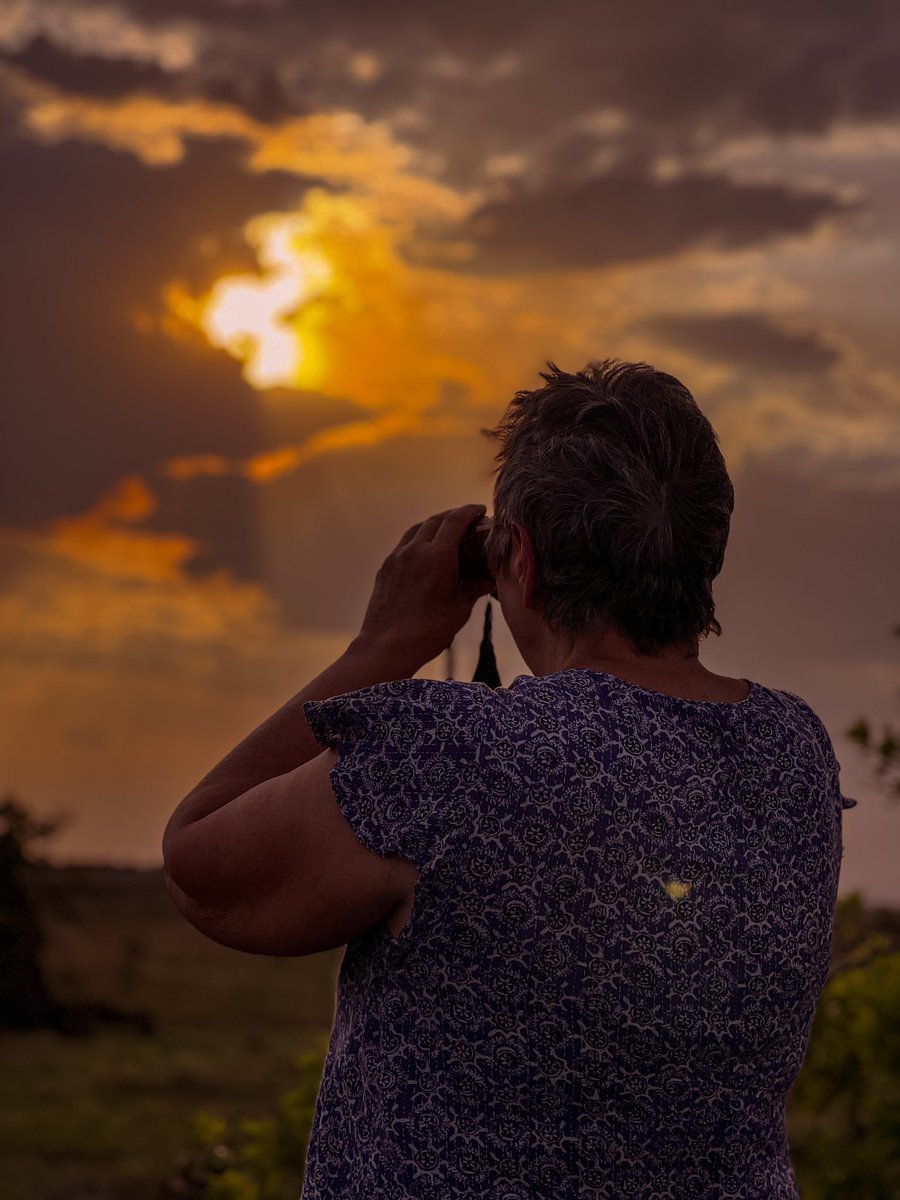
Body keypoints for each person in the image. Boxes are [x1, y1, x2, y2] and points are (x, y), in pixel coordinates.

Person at [162, 360, 854, 1199]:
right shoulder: (792, 752)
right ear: (705, 549)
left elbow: (201, 866)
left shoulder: (453, 757)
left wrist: (383, 643)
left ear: (516, 560)